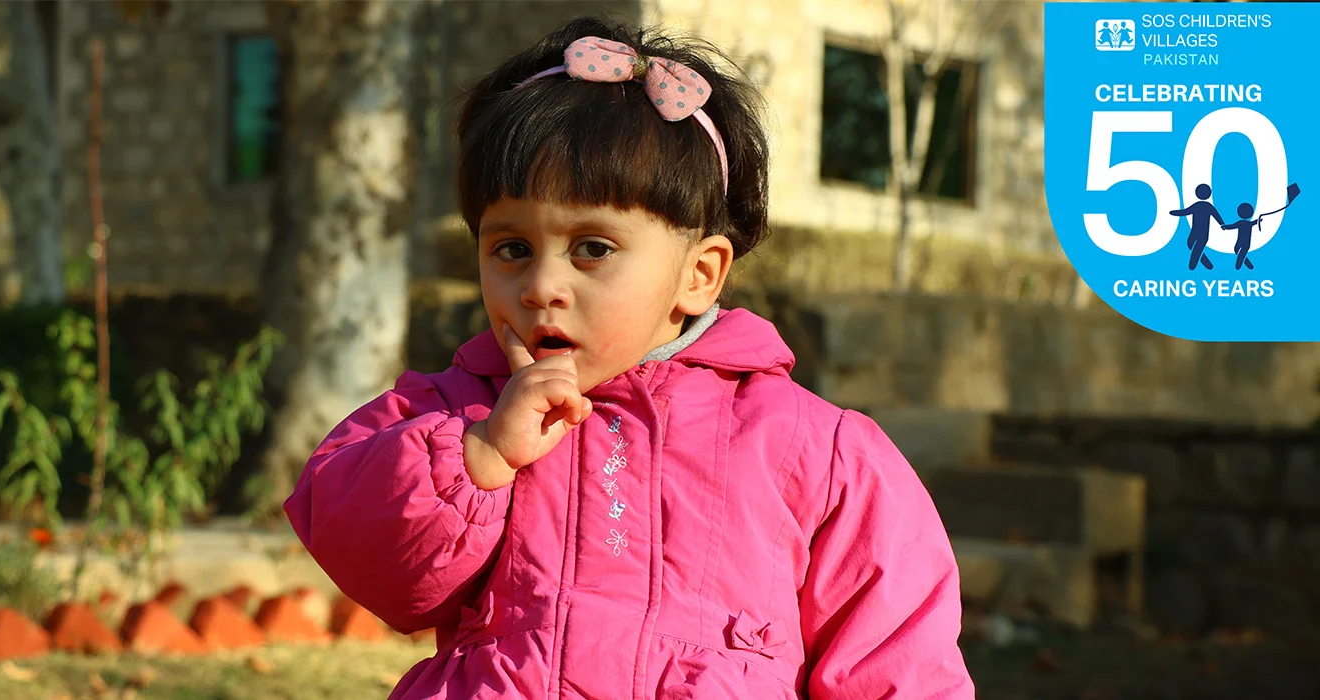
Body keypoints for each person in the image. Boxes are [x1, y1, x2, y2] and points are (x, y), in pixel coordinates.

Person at [284, 17, 974, 700]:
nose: (542, 286)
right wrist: (481, 456)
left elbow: (898, 666)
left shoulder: (819, 453)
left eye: (592, 249)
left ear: (698, 274)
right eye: (511, 249)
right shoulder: (454, 410)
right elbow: (367, 555)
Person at [1169, 183, 1222, 271]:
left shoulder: (1200, 206)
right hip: (1201, 233)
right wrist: (1222, 224)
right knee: (1191, 244)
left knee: (1193, 245)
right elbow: (1217, 216)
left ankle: (1194, 265)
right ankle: (1207, 264)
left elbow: (1184, 212)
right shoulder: (1207, 206)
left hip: (1198, 232)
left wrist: (1174, 212)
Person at [1220, 202, 1261, 270]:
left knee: (1238, 252)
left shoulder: (1242, 223)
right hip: (1246, 243)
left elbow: (1232, 226)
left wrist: (1225, 227)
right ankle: (1248, 266)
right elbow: (1255, 222)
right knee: (1240, 253)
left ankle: (1242, 266)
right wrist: (1258, 220)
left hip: (1241, 242)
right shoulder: (1248, 223)